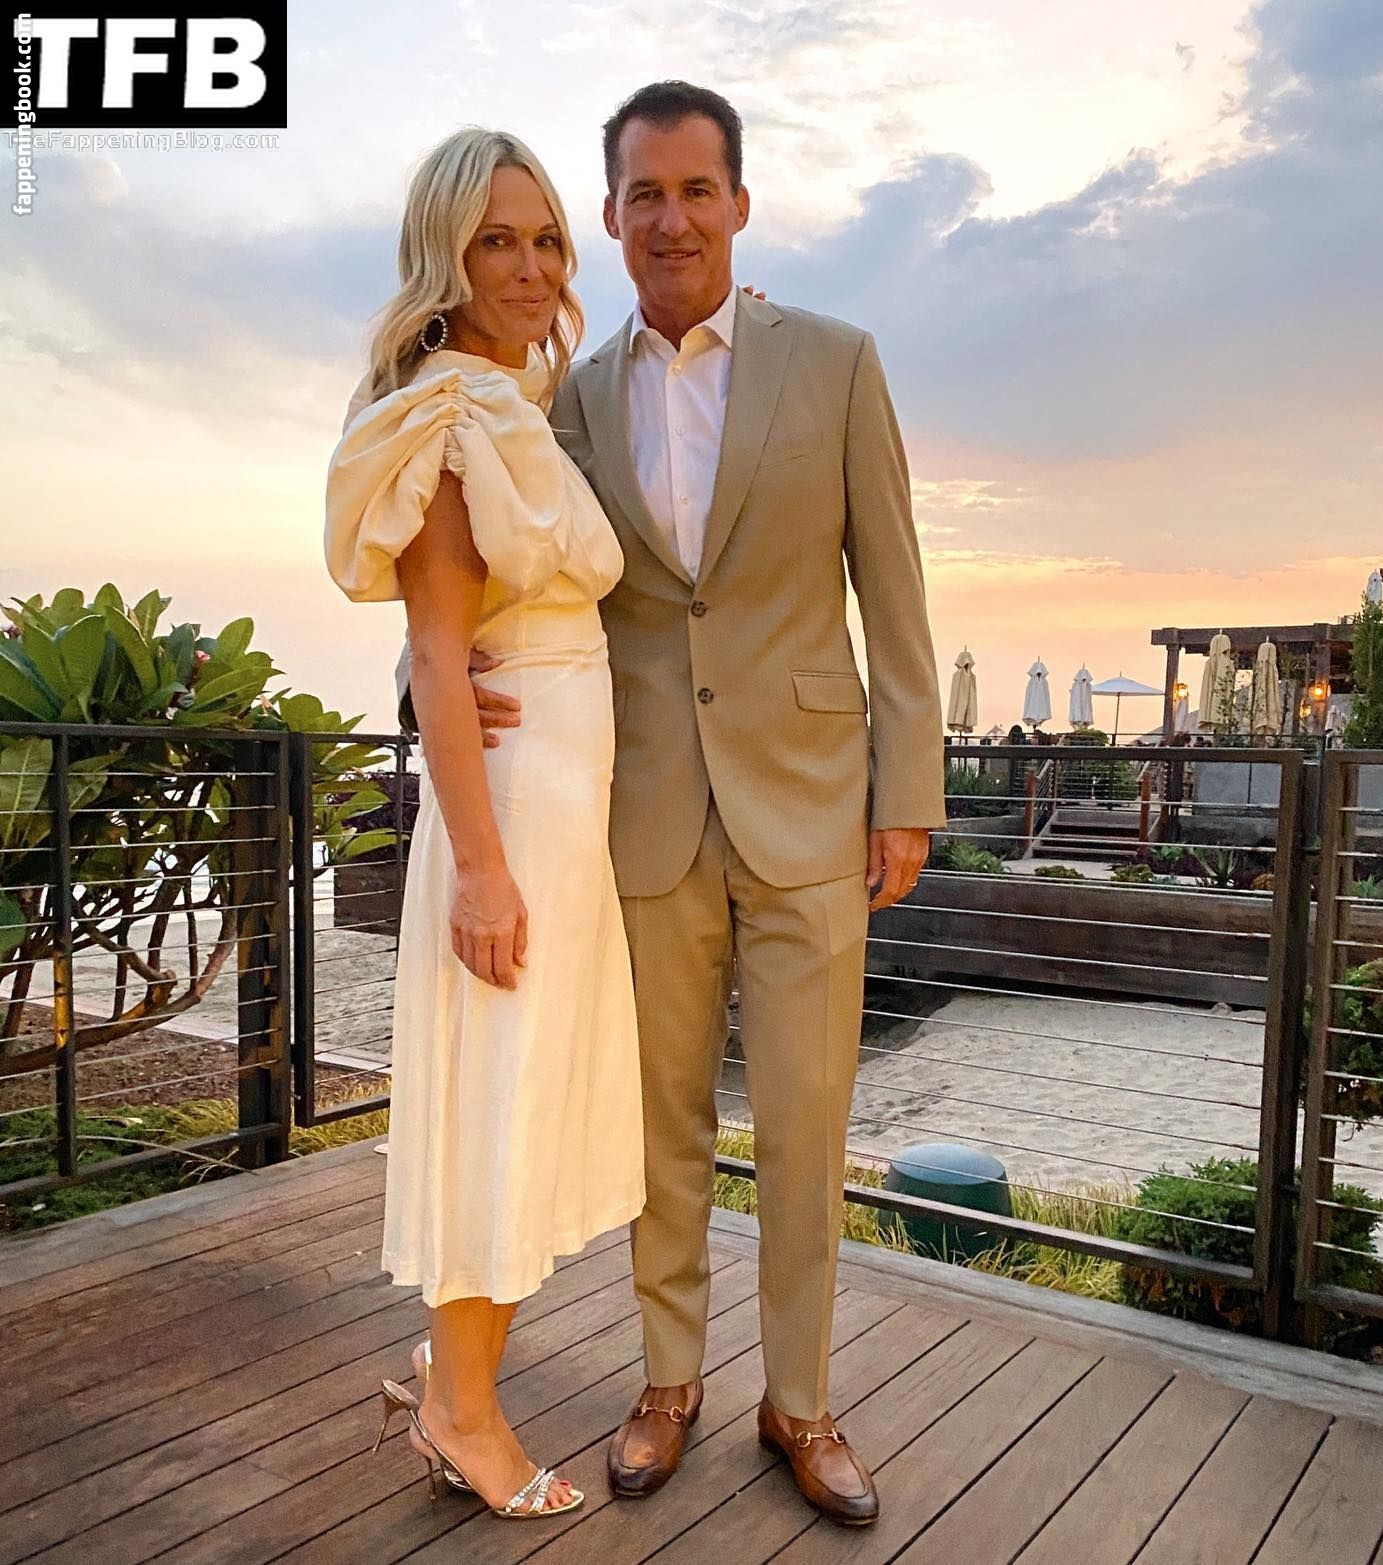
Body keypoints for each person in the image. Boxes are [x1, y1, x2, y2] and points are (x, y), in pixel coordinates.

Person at [404, 81, 946, 1527]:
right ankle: (667, 1381)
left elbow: (894, 589)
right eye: (644, 194)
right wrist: (425, 673)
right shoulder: (560, 396)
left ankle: (803, 1402)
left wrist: (908, 790)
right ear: (613, 215)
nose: (672, 218)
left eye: (697, 190)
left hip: (816, 807)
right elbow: (474, 553)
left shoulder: (837, 361)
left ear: (740, 203)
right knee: (663, 1126)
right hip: (639, 810)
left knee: (808, 1123)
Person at [325, 128, 645, 1520]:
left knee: (526, 1098)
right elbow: (442, 652)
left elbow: (453, 648)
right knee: (501, 1105)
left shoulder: (514, 401)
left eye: (547, 239)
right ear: (444, 259)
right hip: (508, 821)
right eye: (496, 241)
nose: (530, 265)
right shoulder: (452, 421)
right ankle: (462, 1412)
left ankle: (449, 1372)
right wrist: (482, 871)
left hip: (558, 808)